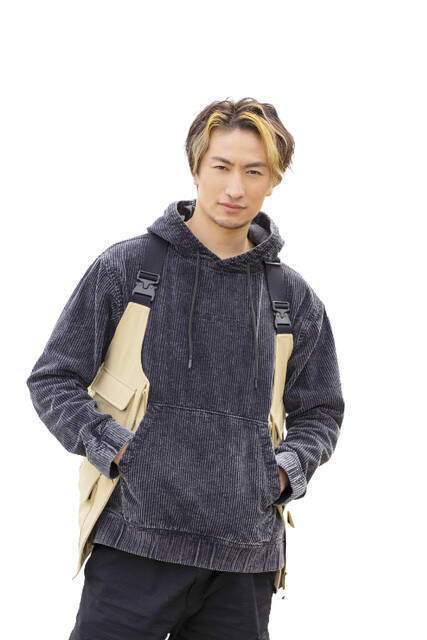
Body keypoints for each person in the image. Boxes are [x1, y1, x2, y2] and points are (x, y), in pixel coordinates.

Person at [26, 97, 345, 640]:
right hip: (133, 547)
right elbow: (53, 379)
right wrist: (119, 448)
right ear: (196, 167)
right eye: (222, 166)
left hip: (244, 563)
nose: (235, 188)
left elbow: (321, 411)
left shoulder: (292, 298)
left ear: (273, 180)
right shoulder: (127, 268)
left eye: (254, 171)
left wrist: (282, 472)